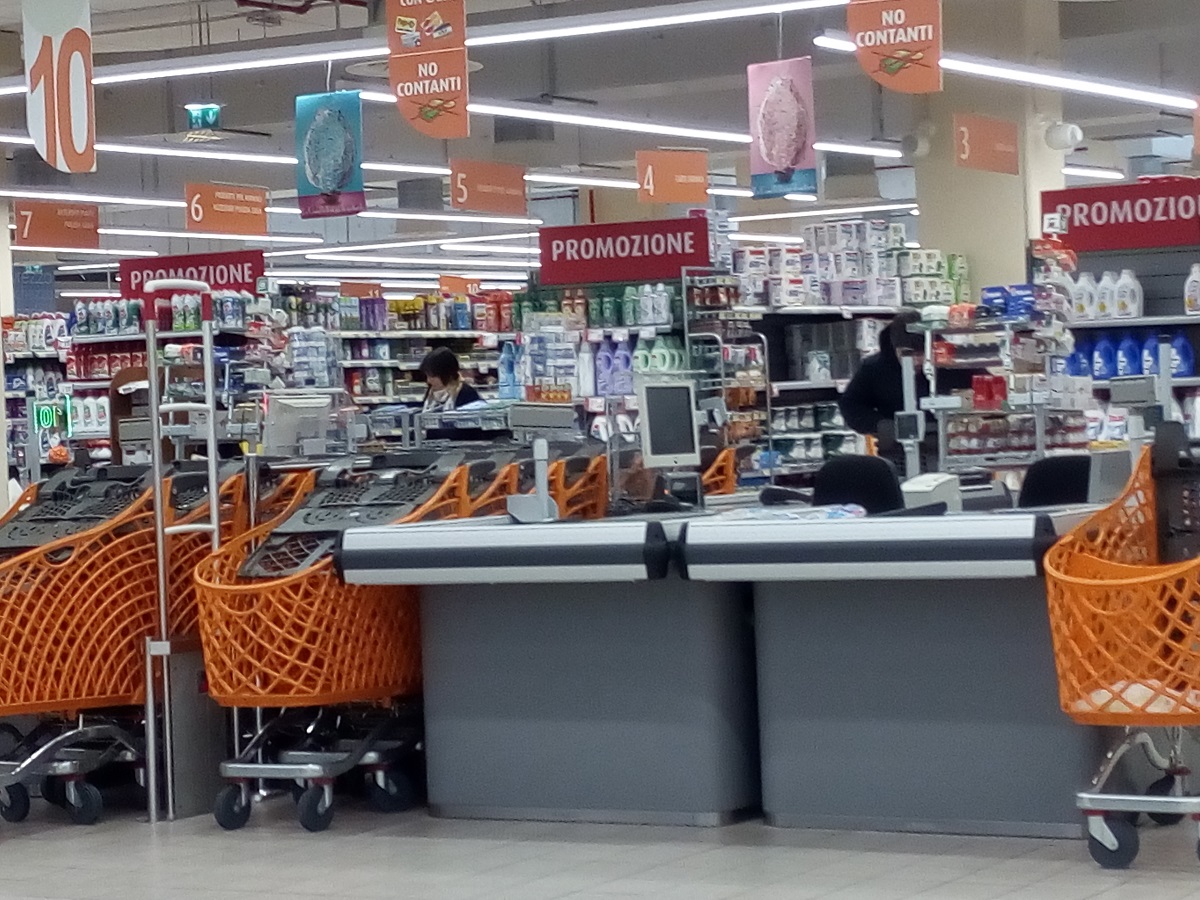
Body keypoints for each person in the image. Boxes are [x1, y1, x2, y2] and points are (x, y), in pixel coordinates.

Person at [839, 308, 975, 470]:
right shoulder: (874, 368)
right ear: (894, 348)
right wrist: (881, 426)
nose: (916, 361)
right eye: (907, 353)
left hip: (955, 448)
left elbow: (987, 390)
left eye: (922, 353)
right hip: (898, 452)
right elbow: (850, 405)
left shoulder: (953, 364)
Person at [420, 346, 482, 412]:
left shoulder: (466, 394)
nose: (428, 381)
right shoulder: (431, 392)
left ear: (447, 373)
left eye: (432, 376)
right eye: (427, 376)